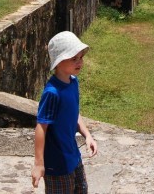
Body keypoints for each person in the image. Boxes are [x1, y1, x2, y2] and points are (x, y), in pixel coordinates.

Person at [32, 31, 98, 192]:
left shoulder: (73, 82)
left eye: (81, 57)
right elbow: (41, 127)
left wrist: (87, 135)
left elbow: (74, 112)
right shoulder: (52, 92)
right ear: (59, 61)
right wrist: (39, 163)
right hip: (57, 163)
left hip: (73, 156)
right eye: (74, 58)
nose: (79, 62)